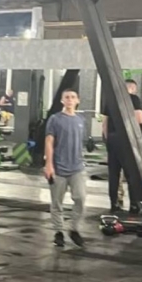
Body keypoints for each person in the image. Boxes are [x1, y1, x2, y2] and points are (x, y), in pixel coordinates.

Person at [44, 89, 87, 248]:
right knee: (57, 203)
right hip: (59, 168)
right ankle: (59, 232)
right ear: (62, 101)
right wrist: (49, 165)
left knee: (80, 199)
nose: (70, 100)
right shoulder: (55, 119)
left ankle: (74, 229)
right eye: (67, 97)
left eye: (73, 97)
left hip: (77, 168)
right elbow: (49, 142)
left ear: (77, 100)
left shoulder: (81, 120)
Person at [101, 80, 142, 214]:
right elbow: (139, 119)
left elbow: (104, 124)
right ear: (132, 88)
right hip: (127, 141)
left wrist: (108, 141)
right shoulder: (134, 99)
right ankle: (134, 205)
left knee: (114, 175)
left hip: (113, 140)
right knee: (131, 174)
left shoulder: (111, 100)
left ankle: (114, 204)